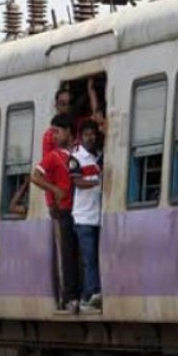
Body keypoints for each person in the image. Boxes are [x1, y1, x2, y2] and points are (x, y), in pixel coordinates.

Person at [31, 115, 81, 313]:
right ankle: (70, 297)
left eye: (57, 132)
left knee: (80, 253)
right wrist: (54, 189)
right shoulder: (53, 156)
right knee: (68, 254)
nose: (53, 136)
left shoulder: (77, 152)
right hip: (65, 209)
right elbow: (35, 176)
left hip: (82, 209)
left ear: (68, 131)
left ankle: (81, 294)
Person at [71, 120, 103, 311]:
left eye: (93, 134)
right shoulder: (76, 158)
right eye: (87, 135)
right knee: (89, 257)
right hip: (82, 216)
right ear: (80, 138)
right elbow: (77, 182)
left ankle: (88, 295)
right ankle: (92, 293)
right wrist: (98, 182)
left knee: (94, 257)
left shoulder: (99, 157)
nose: (91, 138)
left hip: (97, 215)